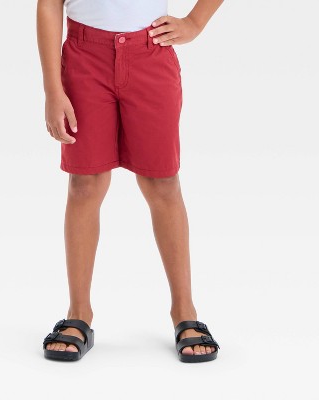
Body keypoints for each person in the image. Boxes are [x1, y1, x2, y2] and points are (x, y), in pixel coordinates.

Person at [37, 0, 223, 363]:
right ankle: (78, 313)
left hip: (150, 54)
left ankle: (184, 310)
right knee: (84, 184)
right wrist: (52, 90)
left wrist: (195, 22)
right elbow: (49, 5)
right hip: (84, 57)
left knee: (162, 183)